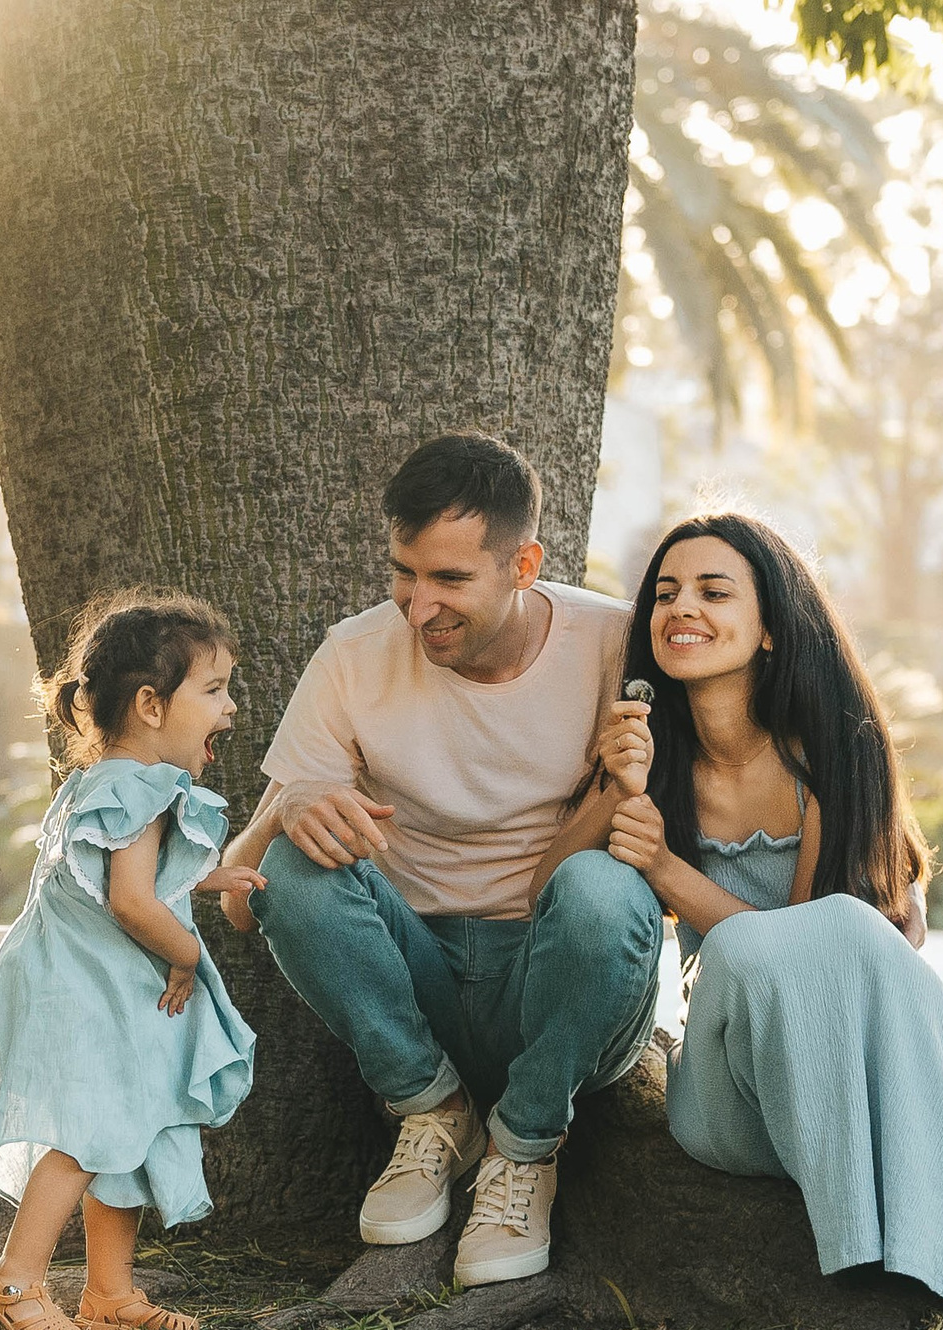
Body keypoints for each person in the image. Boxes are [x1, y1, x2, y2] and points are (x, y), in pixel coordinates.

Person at [534, 513, 943, 1312]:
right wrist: (616, 789)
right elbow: (544, 891)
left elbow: (808, 948)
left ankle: (925, 1208)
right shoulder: (648, 750)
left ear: (772, 631)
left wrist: (663, 866)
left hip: (837, 1079)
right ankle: (860, 1240)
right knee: (761, 952)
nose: (683, 608)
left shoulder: (827, 755)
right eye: (667, 593)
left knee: (823, 933)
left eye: (715, 591)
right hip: (726, 1091)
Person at [223, 432, 663, 1287]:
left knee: (607, 892)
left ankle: (526, 1147)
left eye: (450, 580)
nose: (418, 608)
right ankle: (434, 1113)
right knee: (297, 867)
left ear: (524, 564)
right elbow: (245, 896)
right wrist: (292, 808)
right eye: (404, 573)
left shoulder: (615, 645)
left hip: (566, 984)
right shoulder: (354, 653)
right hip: (415, 985)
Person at [0, 593, 267, 1330]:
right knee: (78, 1138)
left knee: (118, 1131)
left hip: (75, 980)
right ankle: (13, 1281)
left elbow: (122, 877)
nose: (230, 709)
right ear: (150, 704)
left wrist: (209, 881)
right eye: (215, 689)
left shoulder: (101, 782)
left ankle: (109, 1291)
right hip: (88, 987)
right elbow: (132, 900)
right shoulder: (142, 789)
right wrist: (188, 955)